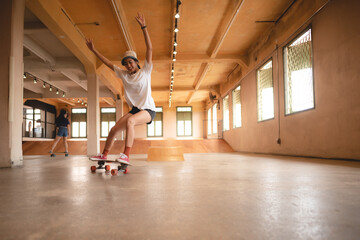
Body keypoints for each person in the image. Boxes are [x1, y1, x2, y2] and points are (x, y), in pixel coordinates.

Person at [86, 12, 156, 164]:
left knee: (130, 122)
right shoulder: (123, 74)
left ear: (136, 62)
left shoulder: (145, 71)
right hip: (136, 109)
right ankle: (104, 155)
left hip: (148, 110)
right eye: (126, 64)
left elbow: (149, 49)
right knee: (114, 130)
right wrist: (93, 50)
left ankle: (126, 155)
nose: (128, 66)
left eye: (131, 62)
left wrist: (143, 27)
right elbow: (108, 63)